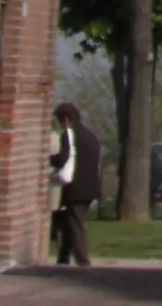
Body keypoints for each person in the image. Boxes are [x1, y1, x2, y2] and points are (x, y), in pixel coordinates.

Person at [49, 102, 101, 267]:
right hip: (91, 185)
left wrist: (50, 158)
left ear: (65, 118)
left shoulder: (69, 134)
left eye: (59, 120)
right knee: (68, 221)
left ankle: (82, 260)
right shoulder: (90, 136)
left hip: (76, 187)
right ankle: (63, 257)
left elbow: (63, 159)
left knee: (75, 223)